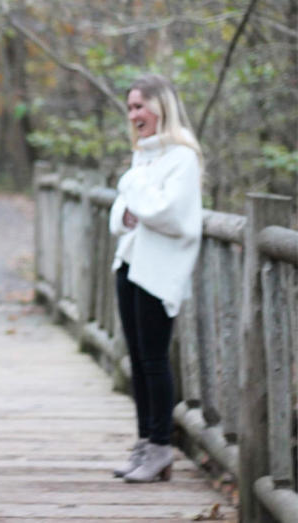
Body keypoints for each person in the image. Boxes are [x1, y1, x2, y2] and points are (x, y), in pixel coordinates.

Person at [109, 74, 203, 483]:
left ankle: (162, 446)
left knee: (154, 360)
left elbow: (169, 214)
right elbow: (122, 216)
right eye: (130, 108)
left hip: (158, 269)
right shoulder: (144, 155)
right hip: (130, 263)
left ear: (161, 106)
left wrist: (132, 191)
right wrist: (132, 202)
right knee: (136, 360)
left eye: (139, 107)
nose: (133, 116)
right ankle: (145, 443)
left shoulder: (181, 156)